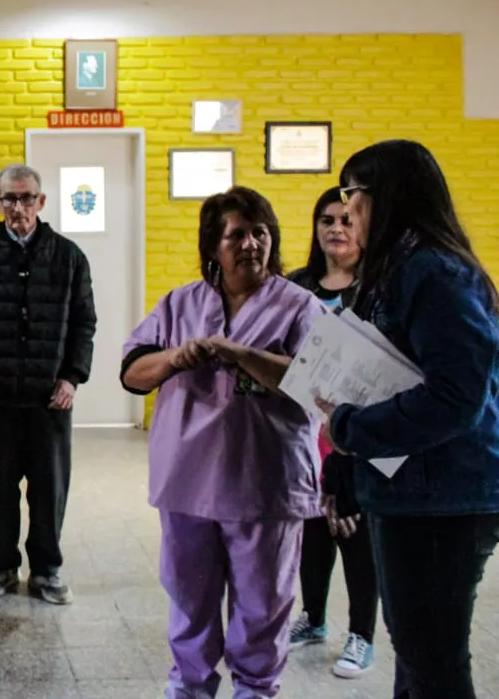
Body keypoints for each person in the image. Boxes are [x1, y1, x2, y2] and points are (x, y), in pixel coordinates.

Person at [119, 187, 325, 699]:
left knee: (262, 607)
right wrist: (176, 358)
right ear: (214, 245)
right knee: (190, 601)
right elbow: (132, 373)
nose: (251, 244)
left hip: (265, 485)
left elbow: (318, 381)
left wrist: (240, 353)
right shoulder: (181, 304)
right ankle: (190, 688)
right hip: (187, 482)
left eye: (261, 233)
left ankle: (255, 689)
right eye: (237, 235)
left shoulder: (300, 306)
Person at [319, 140, 499, 699]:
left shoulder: (435, 273)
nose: (346, 210)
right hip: (410, 491)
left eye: (352, 193)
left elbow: (456, 396)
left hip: (442, 499)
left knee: (433, 662)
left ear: (388, 196)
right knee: (419, 657)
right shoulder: (398, 269)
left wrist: (350, 428)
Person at [0, 164, 96, 605]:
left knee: (49, 491)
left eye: (27, 198)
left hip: (50, 401)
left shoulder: (69, 257)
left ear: (41, 202)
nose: (18, 207)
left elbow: (84, 324)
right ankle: (2, 566)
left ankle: (46, 570)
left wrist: (72, 377)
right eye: (9, 198)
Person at [284, 188, 378, 679]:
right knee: (313, 527)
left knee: (354, 530)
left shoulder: (378, 285)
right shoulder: (296, 286)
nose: (336, 228)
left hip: (358, 429)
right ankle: (313, 617)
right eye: (326, 220)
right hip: (303, 429)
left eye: (345, 219)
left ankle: (361, 634)